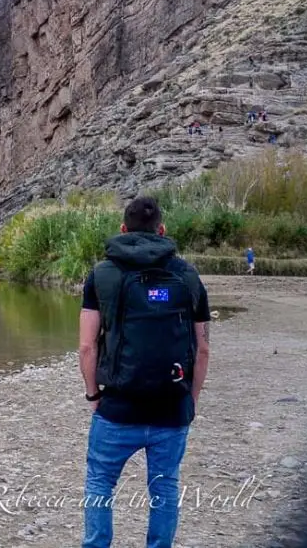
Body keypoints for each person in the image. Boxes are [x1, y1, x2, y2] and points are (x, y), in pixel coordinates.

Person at [80, 196, 212, 548]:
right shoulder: (187, 275)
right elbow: (203, 349)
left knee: (100, 482)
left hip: (118, 406)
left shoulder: (102, 274)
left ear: (123, 230)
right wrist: (191, 400)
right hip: (172, 406)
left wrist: (94, 395)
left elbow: (87, 346)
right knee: (164, 486)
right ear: (162, 230)